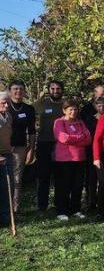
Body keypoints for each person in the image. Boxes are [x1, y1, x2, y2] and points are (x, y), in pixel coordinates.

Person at [53, 99, 91, 221]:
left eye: (75, 109)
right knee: (64, 186)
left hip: (79, 158)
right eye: (71, 109)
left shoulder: (80, 123)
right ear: (64, 110)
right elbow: (63, 138)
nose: (73, 112)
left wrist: (73, 139)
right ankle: (61, 210)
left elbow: (88, 139)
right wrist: (80, 137)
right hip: (64, 159)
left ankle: (75, 209)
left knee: (77, 185)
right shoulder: (59, 122)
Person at [34, 80, 65, 212]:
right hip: (43, 143)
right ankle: (42, 206)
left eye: (58, 89)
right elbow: (30, 111)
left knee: (60, 176)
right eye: (52, 89)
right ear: (48, 90)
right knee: (43, 176)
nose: (55, 91)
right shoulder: (42, 103)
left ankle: (59, 203)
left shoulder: (66, 104)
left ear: (62, 90)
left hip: (61, 144)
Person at [7, 80, 36, 214]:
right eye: (15, 89)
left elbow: (31, 131)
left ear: (24, 91)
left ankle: (15, 209)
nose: (18, 91)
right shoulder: (3, 106)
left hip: (20, 148)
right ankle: (4, 209)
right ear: (10, 91)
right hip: (3, 148)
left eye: (21, 89)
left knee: (17, 179)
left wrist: (31, 149)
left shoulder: (29, 109)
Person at [84, 97, 104, 212]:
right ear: (95, 106)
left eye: (103, 105)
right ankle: (91, 202)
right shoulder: (90, 119)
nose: (101, 108)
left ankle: (103, 202)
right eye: (99, 105)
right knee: (92, 178)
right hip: (92, 151)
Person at [0, 92, 13, 226]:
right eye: (3, 102)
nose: (6, 105)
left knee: (6, 188)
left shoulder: (8, 116)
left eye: (8, 102)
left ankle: (5, 218)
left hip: (7, 154)